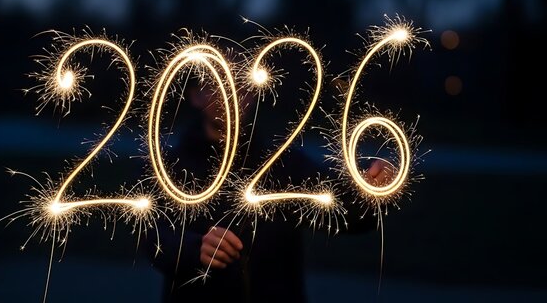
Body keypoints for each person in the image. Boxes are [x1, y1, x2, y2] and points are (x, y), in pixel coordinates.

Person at [142, 80, 390, 303]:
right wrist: (195, 249)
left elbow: (345, 213)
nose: (231, 94)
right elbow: (153, 235)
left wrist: (370, 194)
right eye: (218, 83)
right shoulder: (170, 166)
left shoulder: (284, 164)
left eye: (241, 86)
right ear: (196, 96)